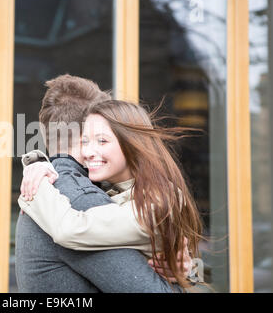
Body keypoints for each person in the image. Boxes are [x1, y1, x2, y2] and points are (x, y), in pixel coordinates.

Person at [15, 74, 193, 293]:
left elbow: (70, 229)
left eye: (102, 140)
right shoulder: (89, 194)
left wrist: (36, 179)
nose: (90, 151)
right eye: (86, 141)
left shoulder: (148, 202)